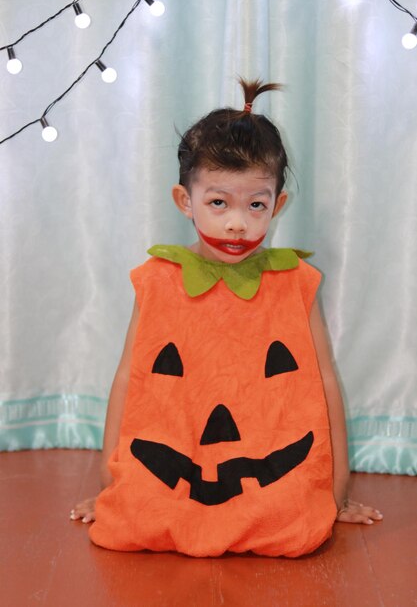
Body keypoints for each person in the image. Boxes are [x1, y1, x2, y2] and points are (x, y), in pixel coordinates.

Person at [70, 79, 383, 557]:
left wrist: (335, 490)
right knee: (144, 510)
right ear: (185, 201)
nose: (237, 222)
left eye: (255, 205)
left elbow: (323, 381)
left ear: (277, 206)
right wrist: (110, 482)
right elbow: (128, 380)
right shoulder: (156, 279)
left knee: (294, 515)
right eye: (219, 203)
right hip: (180, 446)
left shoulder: (296, 280)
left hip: (265, 451)